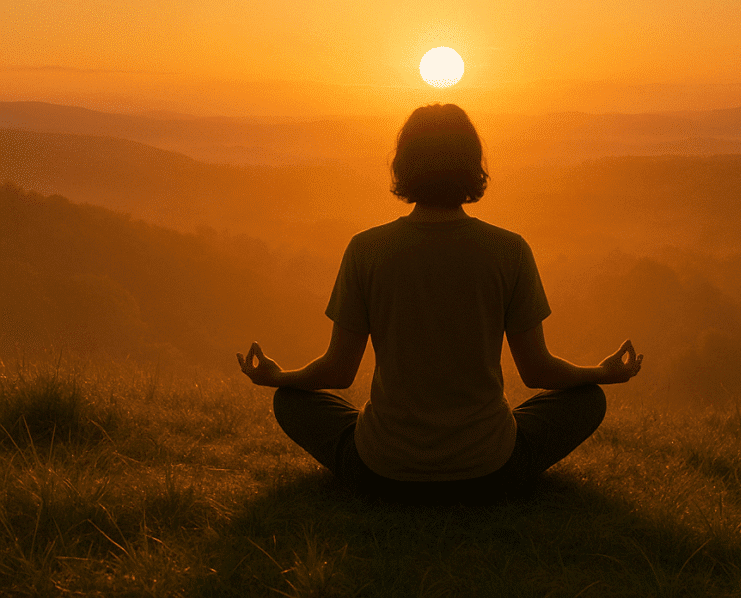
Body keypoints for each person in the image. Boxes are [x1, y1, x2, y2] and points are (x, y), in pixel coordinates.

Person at [238, 103, 643, 504]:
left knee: (290, 401)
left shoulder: (366, 250)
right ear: (472, 164)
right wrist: (601, 372)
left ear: (403, 166)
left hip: (382, 470)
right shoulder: (509, 250)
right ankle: (482, 457)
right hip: (490, 470)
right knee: (589, 399)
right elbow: (537, 371)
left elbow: (338, 371)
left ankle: (393, 458)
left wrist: (279, 377)